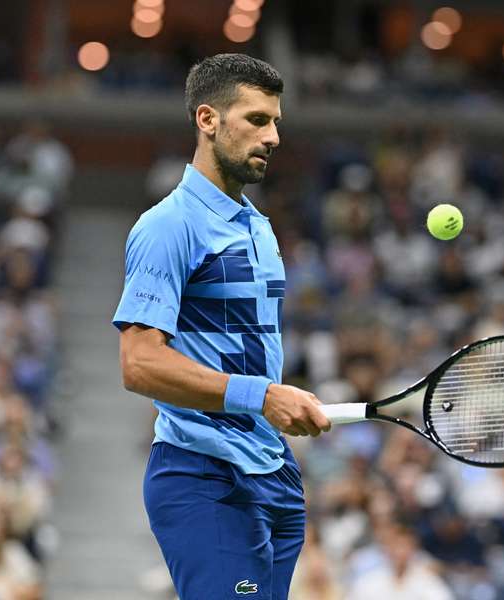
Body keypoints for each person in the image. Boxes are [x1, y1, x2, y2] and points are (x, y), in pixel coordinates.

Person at [112, 53, 331, 600]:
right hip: (203, 475)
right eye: (257, 119)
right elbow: (138, 364)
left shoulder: (259, 226)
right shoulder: (167, 226)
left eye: (277, 121)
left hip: (273, 473)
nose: (274, 135)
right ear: (207, 120)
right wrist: (261, 397)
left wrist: (275, 404)